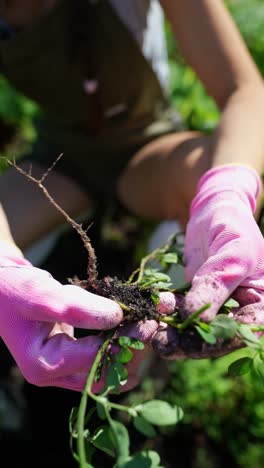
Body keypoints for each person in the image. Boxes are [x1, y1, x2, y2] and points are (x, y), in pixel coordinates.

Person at [0, 0, 264, 392]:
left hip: (149, 150)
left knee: (213, 166)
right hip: (58, 162)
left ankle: (172, 329)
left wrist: (228, 191)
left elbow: (245, 91)